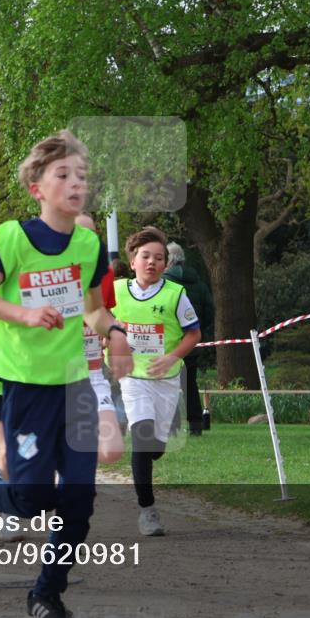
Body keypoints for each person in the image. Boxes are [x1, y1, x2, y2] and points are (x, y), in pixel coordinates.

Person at [0, 129, 132, 618]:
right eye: (64, 174)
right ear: (37, 187)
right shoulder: (11, 238)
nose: (77, 183)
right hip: (27, 388)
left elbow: (94, 311)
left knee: (79, 500)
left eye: (82, 175)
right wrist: (25, 313)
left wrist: (116, 333)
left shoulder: (88, 244)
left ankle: (45, 593)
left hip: (74, 386)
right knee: (31, 499)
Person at [110, 226, 202, 537]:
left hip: (166, 379)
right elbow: (98, 320)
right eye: (145, 256)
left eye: (159, 258)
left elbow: (194, 333)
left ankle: (152, 452)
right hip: (133, 377)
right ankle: (147, 510)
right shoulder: (117, 290)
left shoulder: (176, 294)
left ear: (165, 264)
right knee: (142, 438)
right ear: (132, 261)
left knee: (155, 448)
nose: (152, 262)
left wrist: (172, 357)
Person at [76, 213, 123, 464]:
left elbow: (102, 312)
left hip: (93, 373)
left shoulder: (104, 274)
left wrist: (114, 333)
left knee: (111, 450)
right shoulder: (48, 272)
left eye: (92, 236)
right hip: (56, 377)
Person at [163, 242, 215, 436]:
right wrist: (195, 329)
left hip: (169, 341)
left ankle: (172, 425)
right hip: (191, 340)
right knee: (190, 383)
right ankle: (195, 424)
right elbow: (209, 311)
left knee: (167, 382)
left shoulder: (164, 284)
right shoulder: (198, 283)